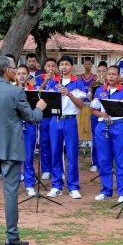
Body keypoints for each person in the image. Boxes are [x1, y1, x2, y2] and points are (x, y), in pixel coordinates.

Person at [0, 56, 46, 245]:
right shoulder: (16, 91)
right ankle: (12, 236)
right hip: (11, 148)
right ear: (6, 71)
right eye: (14, 69)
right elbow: (31, 118)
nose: (15, 72)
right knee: (10, 192)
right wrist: (40, 108)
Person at [91, 67, 123, 203]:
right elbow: (93, 110)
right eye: (108, 74)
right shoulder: (100, 90)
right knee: (104, 159)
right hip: (102, 126)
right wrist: (101, 114)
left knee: (121, 159)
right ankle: (106, 190)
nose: (111, 77)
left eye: (114, 74)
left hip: (119, 125)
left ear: (118, 76)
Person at [44, 56, 87, 199]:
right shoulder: (53, 82)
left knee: (72, 153)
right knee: (55, 152)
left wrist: (68, 94)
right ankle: (56, 185)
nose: (64, 67)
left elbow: (81, 105)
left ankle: (73, 186)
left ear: (71, 67)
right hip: (55, 120)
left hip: (69, 120)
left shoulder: (78, 82)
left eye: (66, 64)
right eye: (61, 64)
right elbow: (45, 101)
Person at [15, 65, 39, 197]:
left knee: (28, 156)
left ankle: (29, 184)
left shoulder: (33, 90)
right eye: (19, 73)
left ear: (28, 75)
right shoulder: (11, 89)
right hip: (14, 126)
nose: (21, 76)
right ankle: (14, 183)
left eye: (24, 73)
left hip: (29, 125)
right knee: (14, 156)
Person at [36, 58, 58, 179]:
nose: (50, 68)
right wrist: (44, 82)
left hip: (56, 115)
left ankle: (57, 169)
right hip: (44, 115)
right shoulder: (39, 78)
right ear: (44, 67)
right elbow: (37, 93)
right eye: (48, 66)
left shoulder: (59, 79)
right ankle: (46, 169)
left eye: (53, 66)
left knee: (56, 143)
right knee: (44, 143)